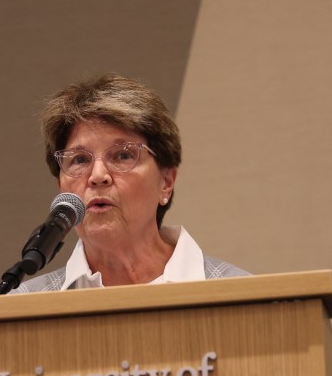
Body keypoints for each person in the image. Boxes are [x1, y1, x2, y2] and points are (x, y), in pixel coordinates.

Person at [14, 74, 247, 292]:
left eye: (123, 155)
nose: (98, 175)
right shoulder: (23, 307)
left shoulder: (241, 296)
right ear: (61, 186)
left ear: (166, 182)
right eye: (80, 160)